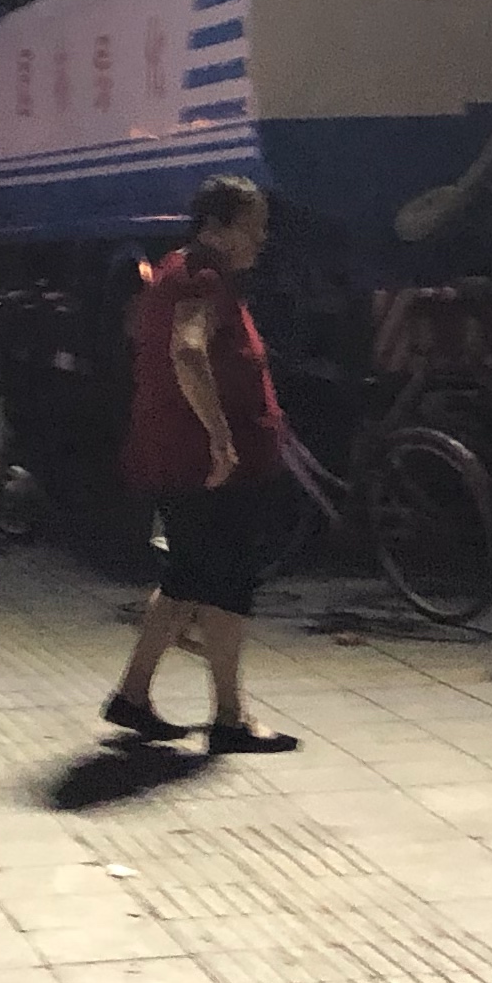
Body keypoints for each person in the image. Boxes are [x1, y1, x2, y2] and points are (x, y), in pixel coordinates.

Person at [105, 176, 298, 758]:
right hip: (205, 467)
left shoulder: (181, 269)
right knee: (227, 584)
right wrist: (221, 440)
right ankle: (231, 717)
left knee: (187, 577)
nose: (261, 239)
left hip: (179, 459)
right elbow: (187, 351)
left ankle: (132, 695)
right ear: (219, 226)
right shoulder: (202, 278)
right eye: (253, 226)